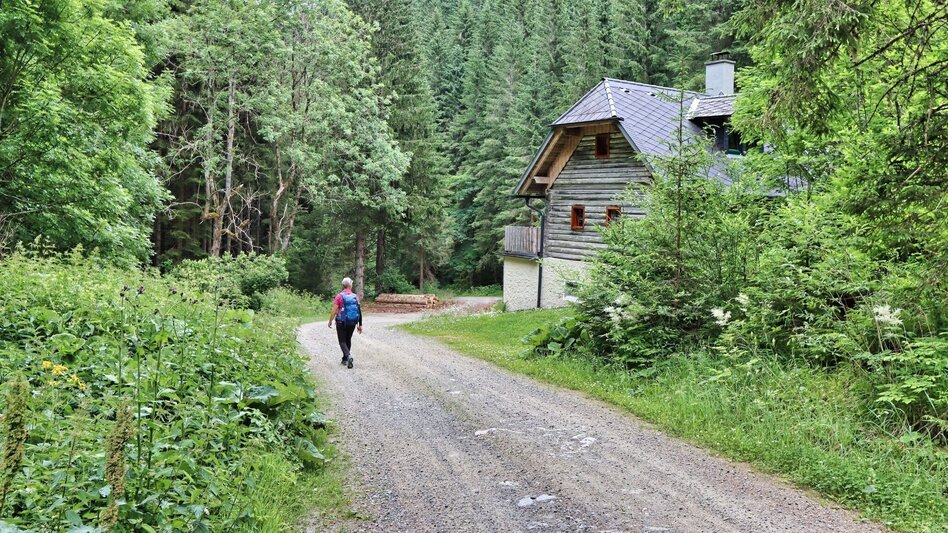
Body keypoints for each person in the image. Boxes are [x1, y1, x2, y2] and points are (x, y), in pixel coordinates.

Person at [328, 277, 362, 369]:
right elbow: (359, 311)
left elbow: (334, 310)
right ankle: (345, 358)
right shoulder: (355, 296)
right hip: (352, 322)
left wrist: (330, 320)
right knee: (348, 339)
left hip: (341, 321)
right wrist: (360, 325)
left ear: (343, 285)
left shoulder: (339, 296)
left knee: (342, 341)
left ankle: (348, 356)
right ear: (350, 285)